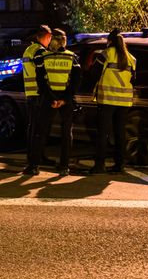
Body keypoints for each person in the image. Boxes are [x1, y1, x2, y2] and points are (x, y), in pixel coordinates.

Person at [89, 29, 137, 174]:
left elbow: (94, 74)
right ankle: (120, 164)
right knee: (119, 133)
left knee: (103, 133)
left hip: (107, 99)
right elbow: (133, 79)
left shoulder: (105, 54)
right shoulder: (131, 58)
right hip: (124, 101)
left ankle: (100, 165)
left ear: (109, 41)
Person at [37, 28, 82, 175]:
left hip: (49, 99)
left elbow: (41, 81)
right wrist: (64, 99)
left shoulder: (43, 57)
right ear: (64, 41)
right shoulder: (72, 57)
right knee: (66, 132)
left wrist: (52, 99)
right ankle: (64, 166)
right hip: (65, 100)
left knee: (43, 131)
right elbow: (75, 82)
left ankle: (36, 164)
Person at [21, 25, 52, 175]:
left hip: (30, 93)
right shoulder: (40, 52)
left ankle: (36, 159)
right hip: (39, 95)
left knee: (33, 129)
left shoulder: (29, 50)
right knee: (38, 130)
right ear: (46, 36)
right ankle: (34, 165)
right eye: (50, 38)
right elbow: (42, 74)